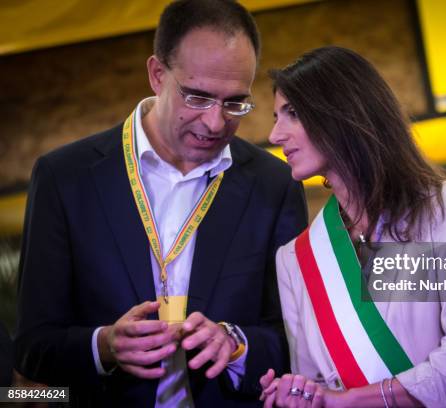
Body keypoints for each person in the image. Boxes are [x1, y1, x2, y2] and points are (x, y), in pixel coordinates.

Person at [14, 0, 308, 406]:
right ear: (156, 75)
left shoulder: (274, 185)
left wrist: (236, 344)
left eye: (234, 102)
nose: (215, 122)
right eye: (198, 98)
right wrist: (103, 346)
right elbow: (32, 347)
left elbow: (297, 340)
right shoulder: (65, 178)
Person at [258, 46, 446, 408]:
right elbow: (315, 381)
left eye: (292, 113)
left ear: (341, 111)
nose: (275, 134)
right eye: (277, 116)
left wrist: (354, 400)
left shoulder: (445, 208)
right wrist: (300, 395)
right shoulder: (294, 259)